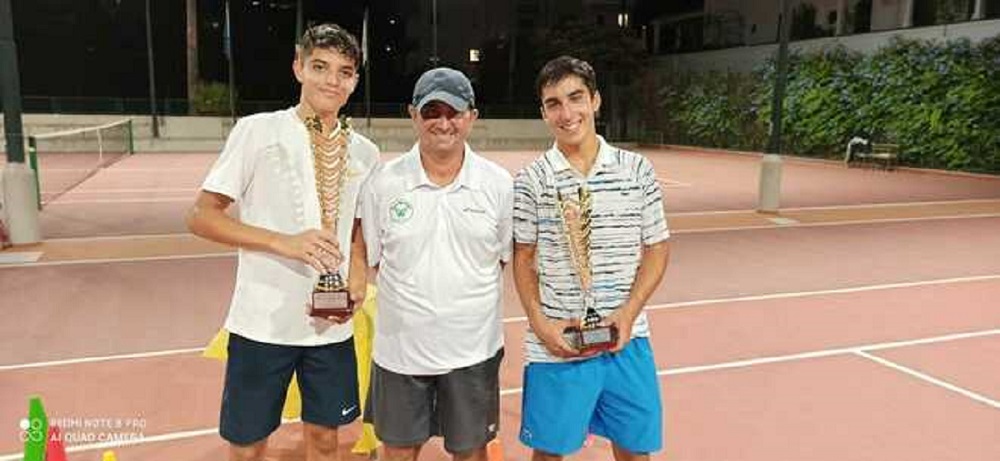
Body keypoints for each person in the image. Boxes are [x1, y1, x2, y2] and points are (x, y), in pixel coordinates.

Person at [186, 23, 379, 461]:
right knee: (249, 445)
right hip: (262, 323)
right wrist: (283, 242)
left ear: (354, 80)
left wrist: (356, 276)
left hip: (330, 326)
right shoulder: (257, 132)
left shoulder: (364, 152)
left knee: (326, 441)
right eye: (320, 67)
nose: (332, 80)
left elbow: (358, 228)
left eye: (345, 71)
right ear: (298, 68)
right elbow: (200, 216)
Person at [511, 55, 671, 461]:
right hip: (558, 343)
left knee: (635, 452)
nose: (567, 114)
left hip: (626, 341)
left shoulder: (637, 170)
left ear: (595, 100)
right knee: (549, 454)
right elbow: (523, 258)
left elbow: (657, 248)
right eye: (553, 104)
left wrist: (628, 313)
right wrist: (541, 325)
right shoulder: (531, 180)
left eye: (575, 98)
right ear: (543, 113)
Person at [358, 67, 513, 461]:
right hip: (400, 352)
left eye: (454, 112)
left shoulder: (498, 184)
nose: (443, 123)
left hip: (473, 350)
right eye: (431, 112)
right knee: (397, 452)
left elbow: (501, 259)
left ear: (471, 117)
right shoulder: (382, 183)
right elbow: (376, 259)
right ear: (413, 115)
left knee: (471, 452)